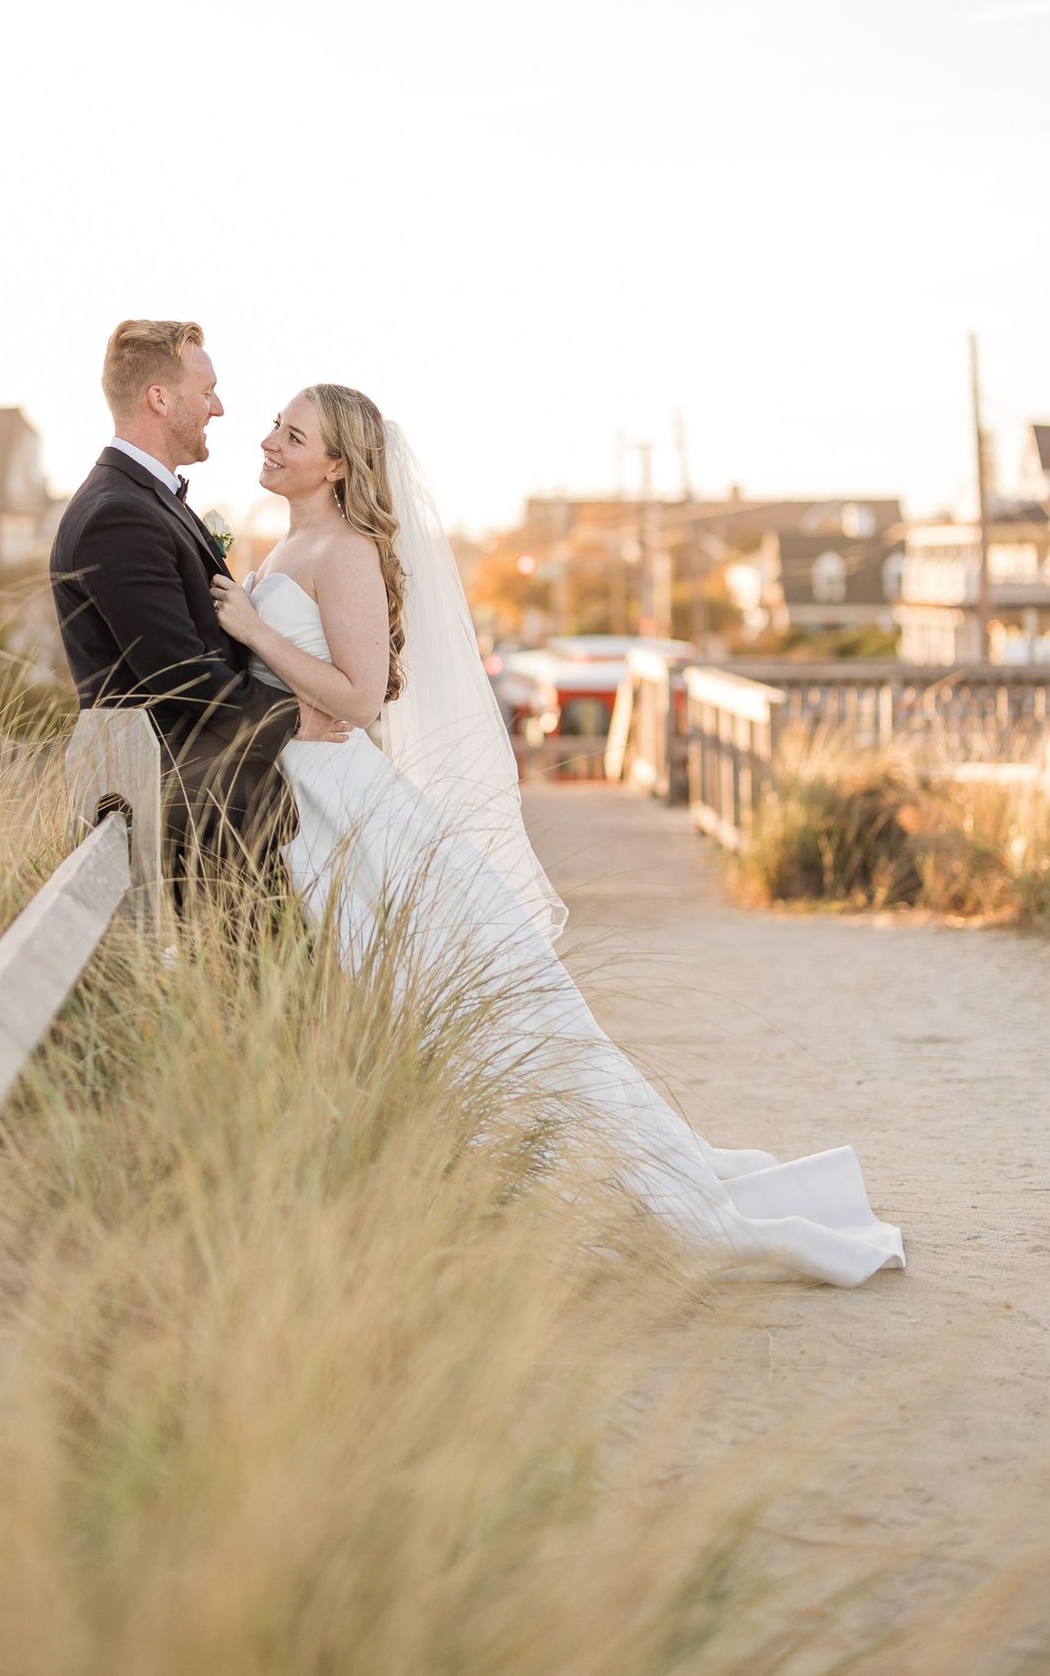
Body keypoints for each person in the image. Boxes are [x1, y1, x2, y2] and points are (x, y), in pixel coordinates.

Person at [209, 382, 905, 1288]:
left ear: (336, 464)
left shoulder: (343, 552)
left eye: (290, 434)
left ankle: (623, 1202)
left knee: (464, 1007)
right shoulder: (284, 541)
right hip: (305, 794)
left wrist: (255, 627)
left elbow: (358, 695)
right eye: (274, 426)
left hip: (346, 799)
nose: (268, 441)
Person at [50, 321, 350, 878]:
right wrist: (292, 720)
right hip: (199, 821)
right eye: (206, 391)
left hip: (223, 810)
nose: (219, 408)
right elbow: (180, 676)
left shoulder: (143, 500)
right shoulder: (118, 515)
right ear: (159, 399)